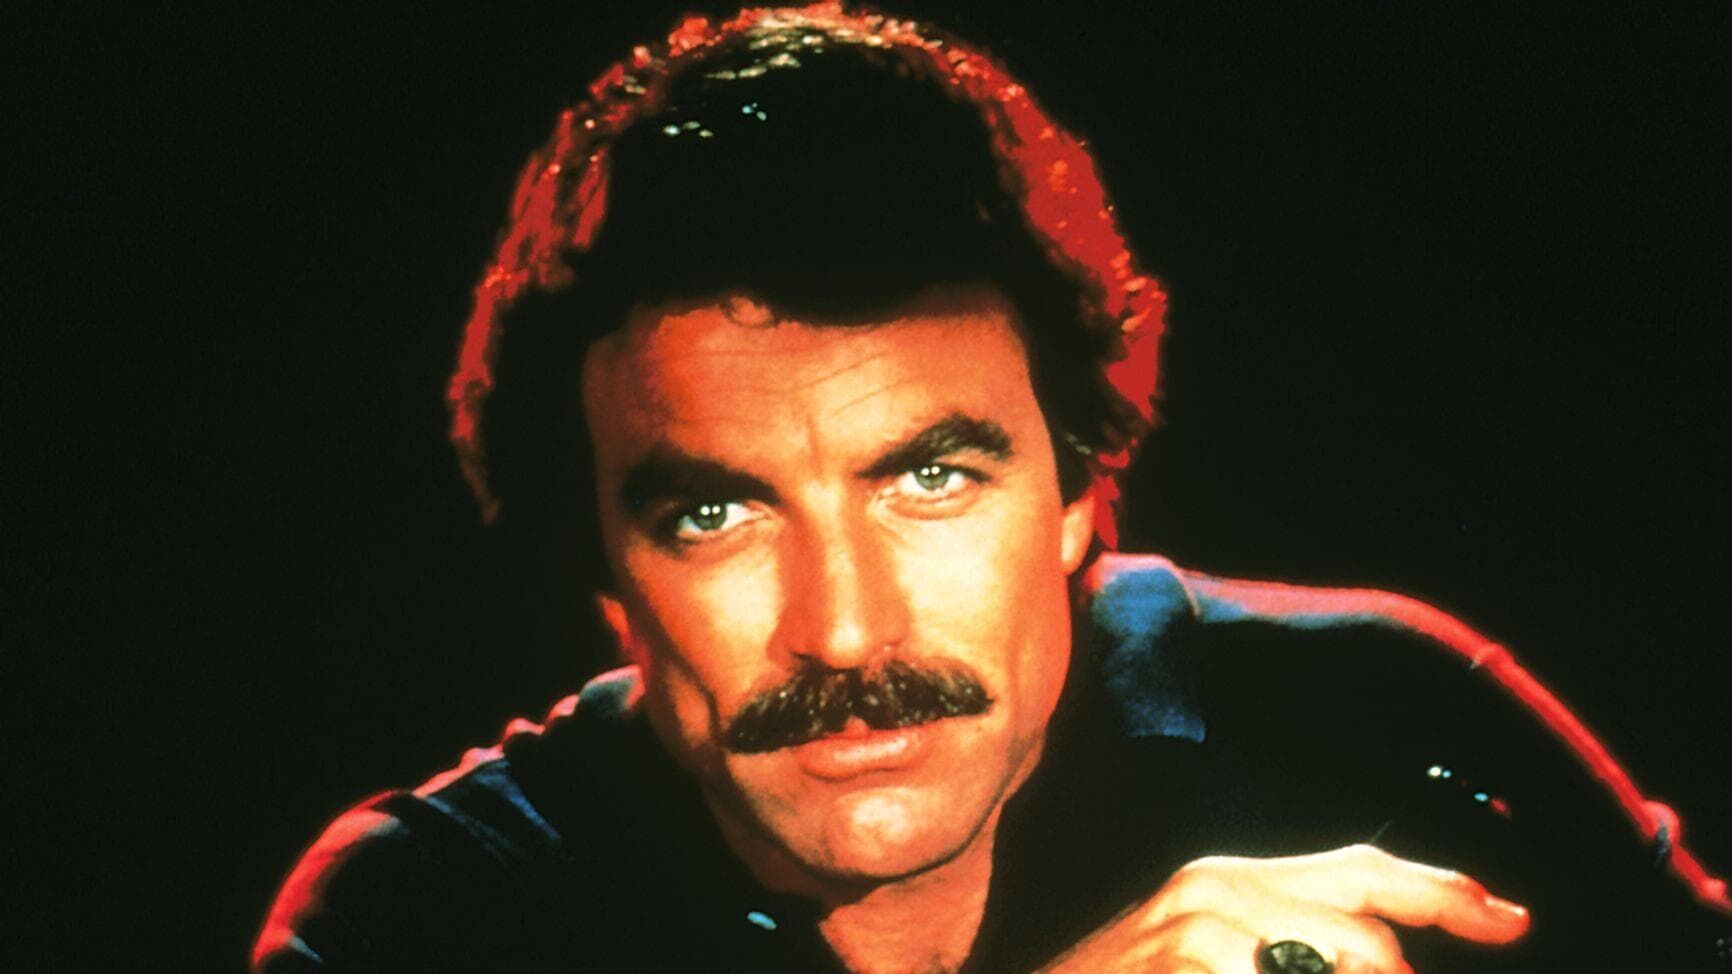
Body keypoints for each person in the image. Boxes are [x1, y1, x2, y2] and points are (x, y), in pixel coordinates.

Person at [253, 5, 1731, 971]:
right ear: (605, 577)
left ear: (1082, 492)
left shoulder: (1379, 719)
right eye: (715, 514)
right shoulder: (423, 922)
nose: (845, 629)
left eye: (930, 478)